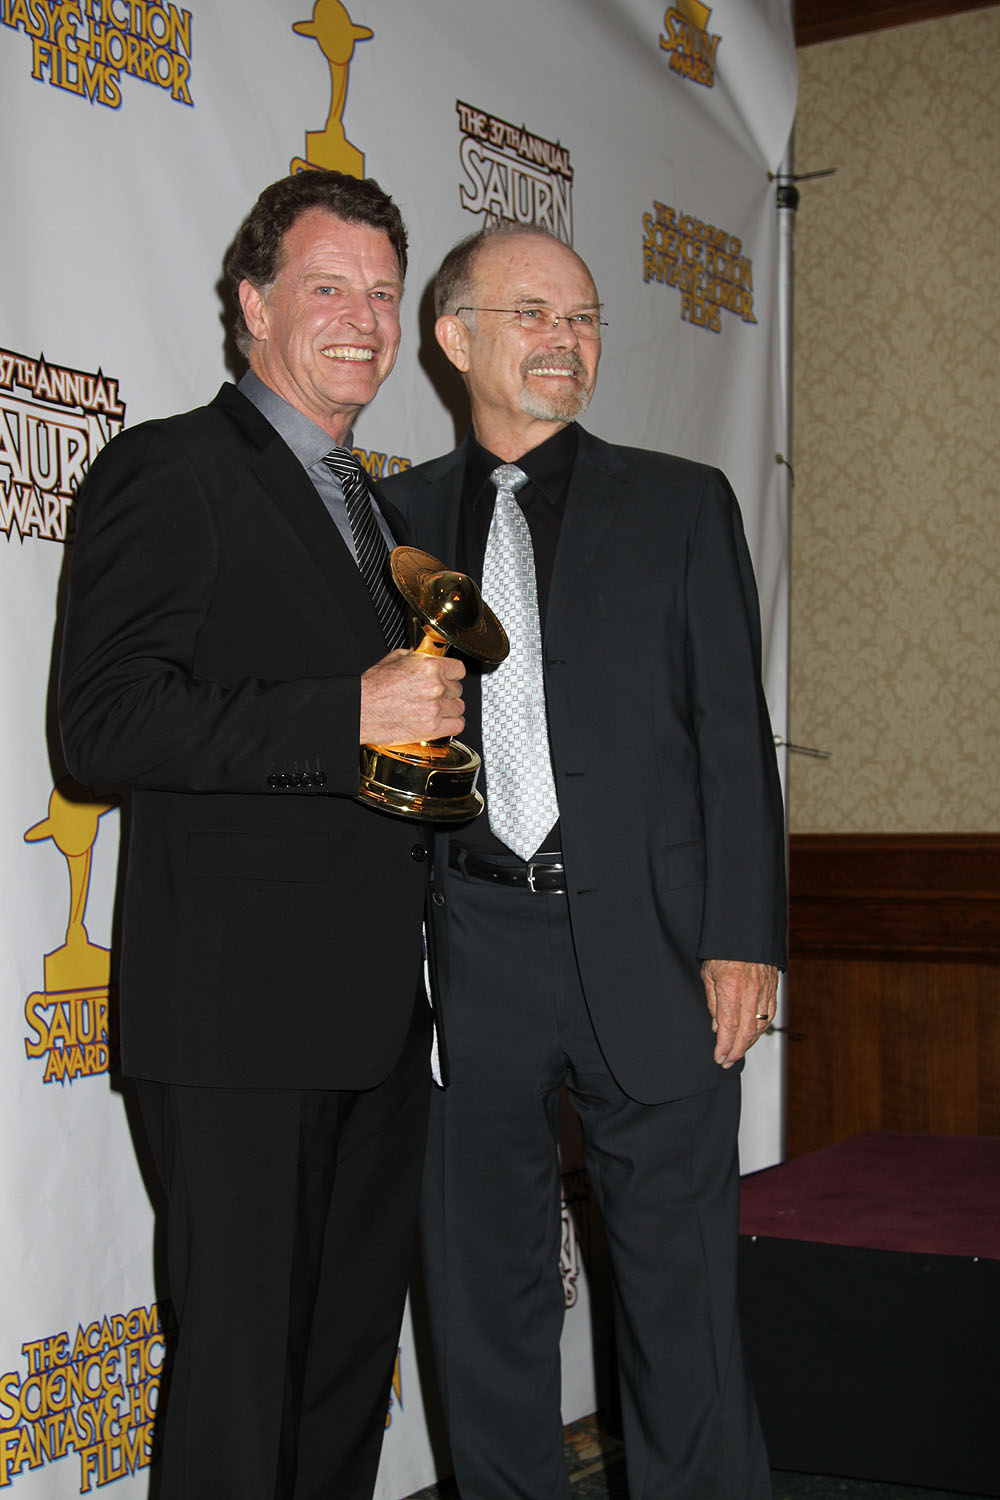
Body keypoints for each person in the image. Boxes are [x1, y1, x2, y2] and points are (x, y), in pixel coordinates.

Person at [58, 170, 465, 1500]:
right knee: (238, 1405)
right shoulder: (170, 469)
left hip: (380, 1022)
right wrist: (347, 710)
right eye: (327, 287)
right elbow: (103, 727)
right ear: (253, 305)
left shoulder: (382, 517)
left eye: (383, 295)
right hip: (235, 1025)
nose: (364, 320)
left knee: (341, 1391)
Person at [382, 224, 787, 1500]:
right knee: (482, 1304)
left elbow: (733, 737)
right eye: (534, 314)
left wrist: (744, 935)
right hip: (466, 952)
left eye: (586, 318)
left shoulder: (680, 504)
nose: (567, 340)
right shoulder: (389, 523)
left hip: (654, 950)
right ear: (455, 338)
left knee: (681, 1304)